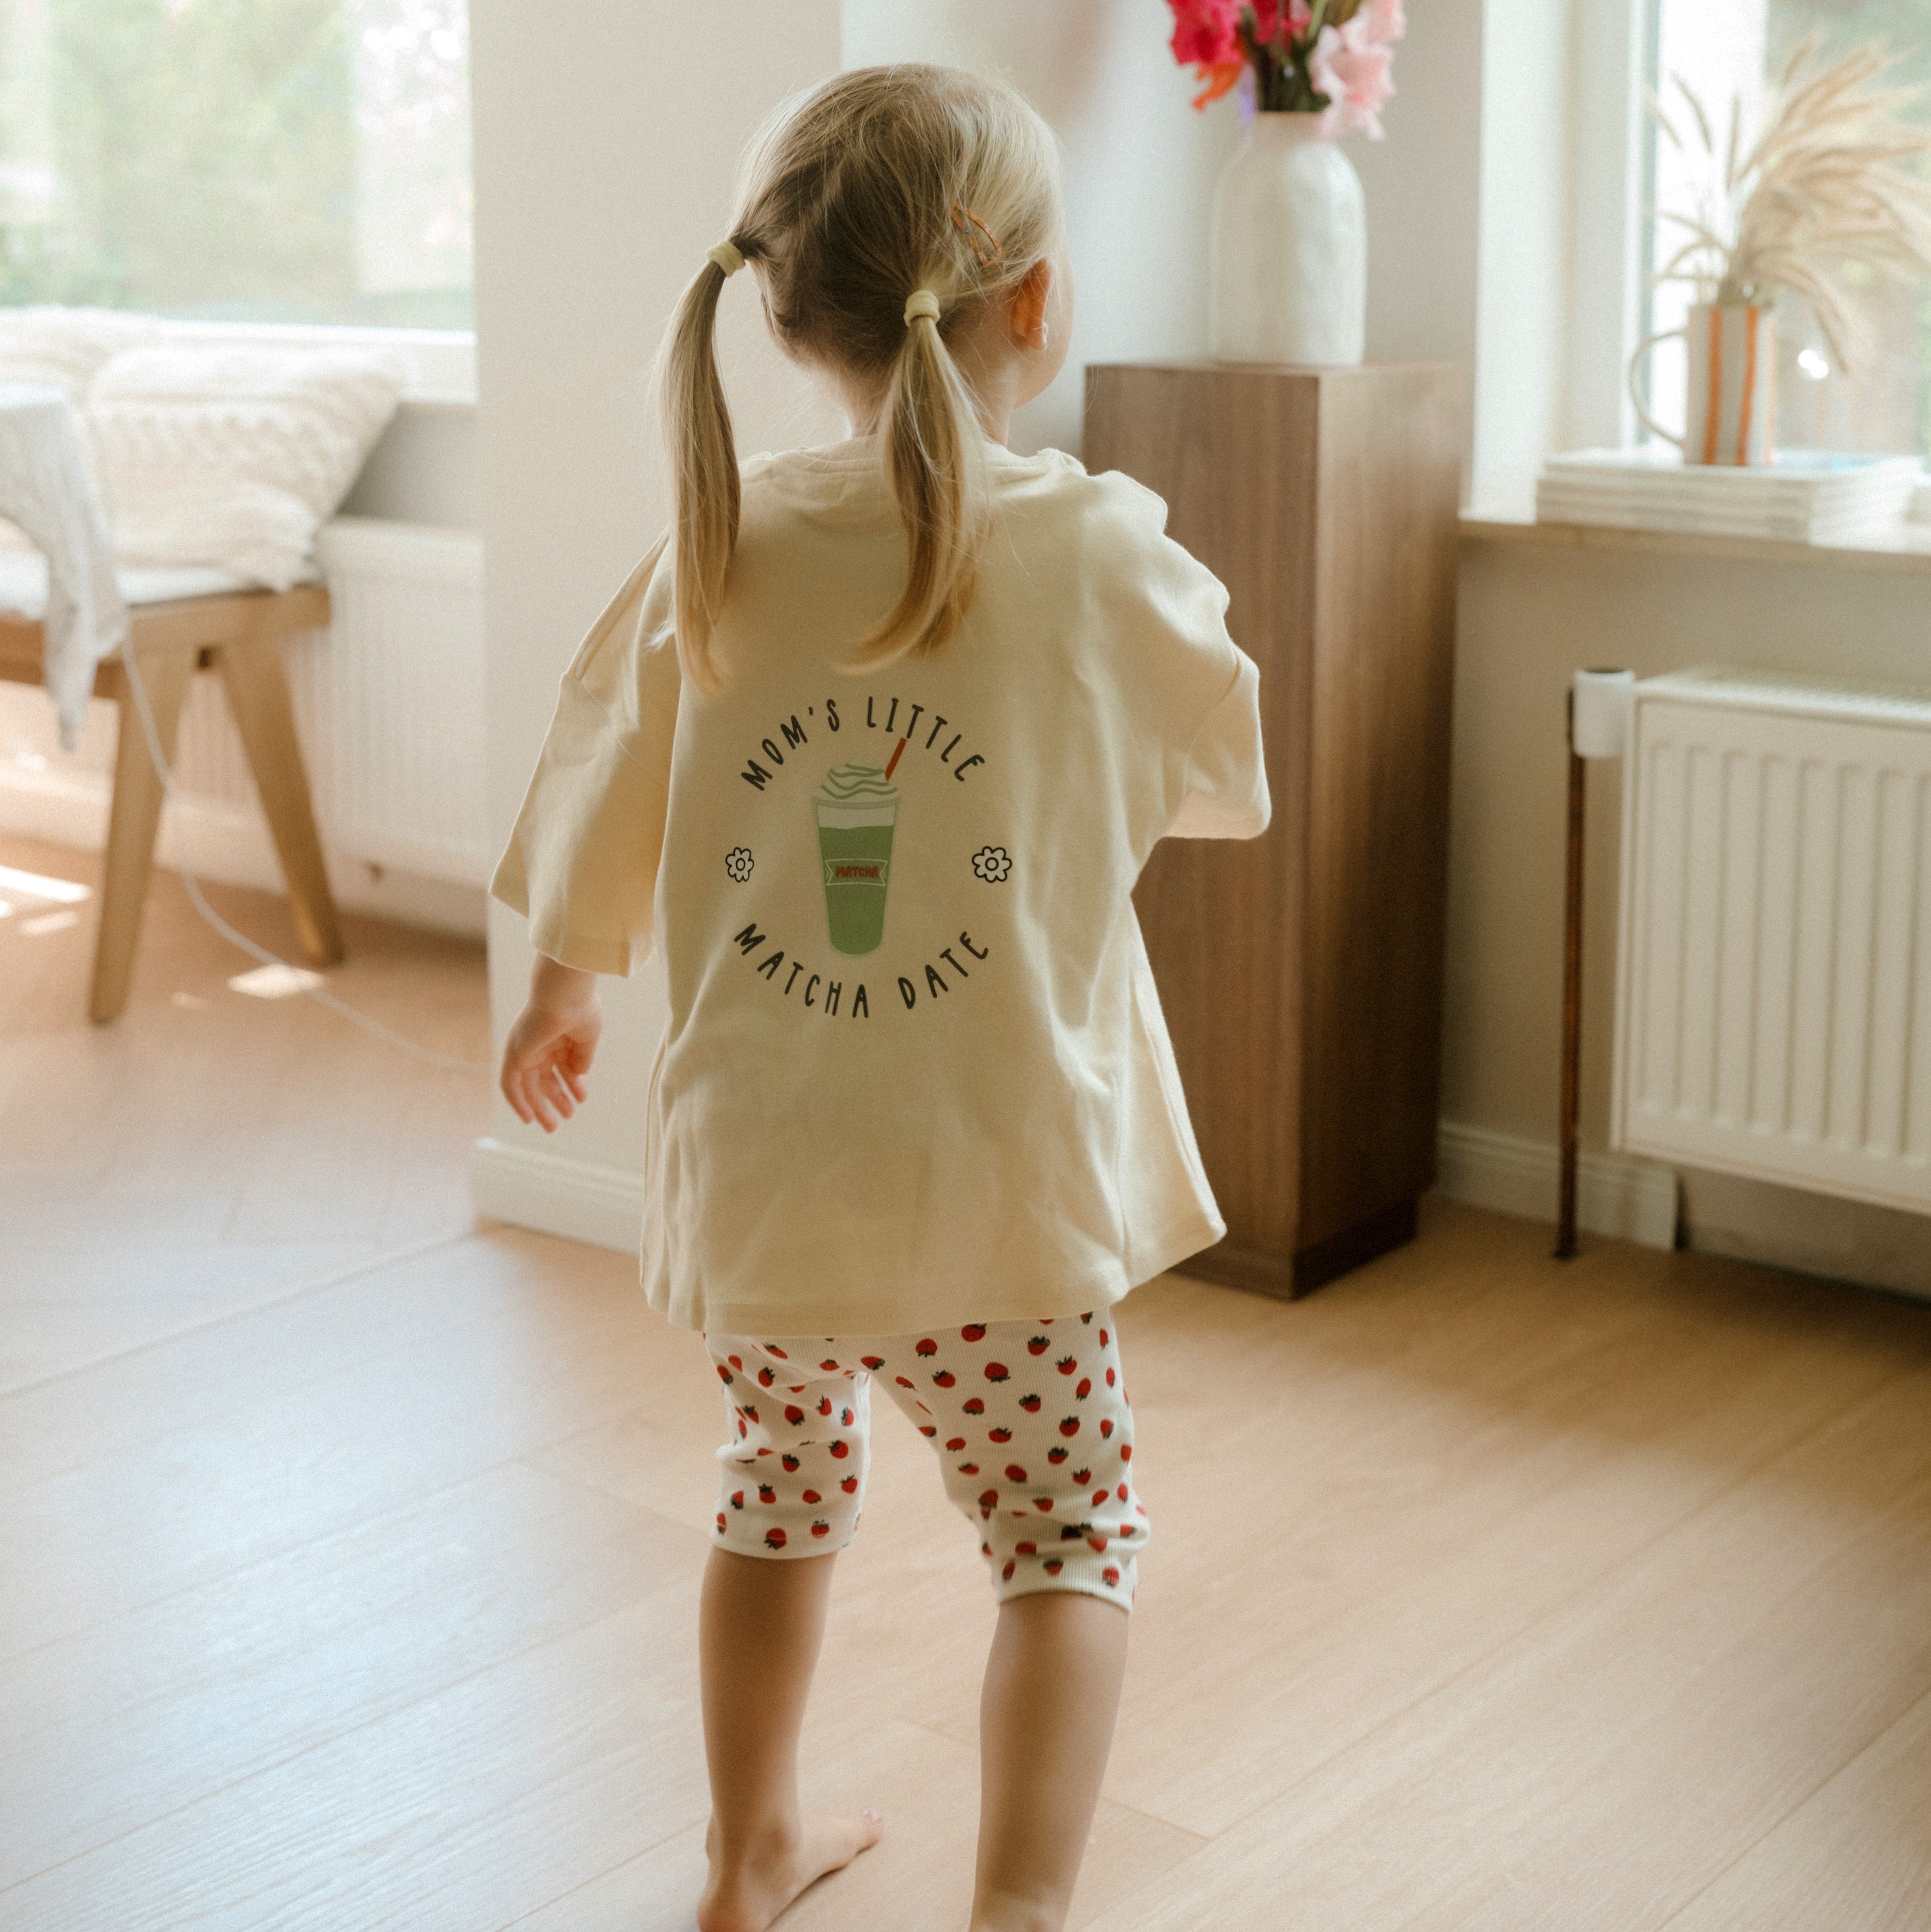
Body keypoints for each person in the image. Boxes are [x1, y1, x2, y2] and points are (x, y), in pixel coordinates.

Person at [491, 62, 1269, 1932]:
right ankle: (1016, 1912)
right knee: (1066, 1532)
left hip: (763, 1169)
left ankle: (744, 1856)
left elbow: (603, 787)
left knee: (778, 1477)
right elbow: (1225, 779)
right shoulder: (1093, 552)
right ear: (1036, 302)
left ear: (778, 313)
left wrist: (564, 989)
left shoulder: (718, 533)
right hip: (989, 1176)